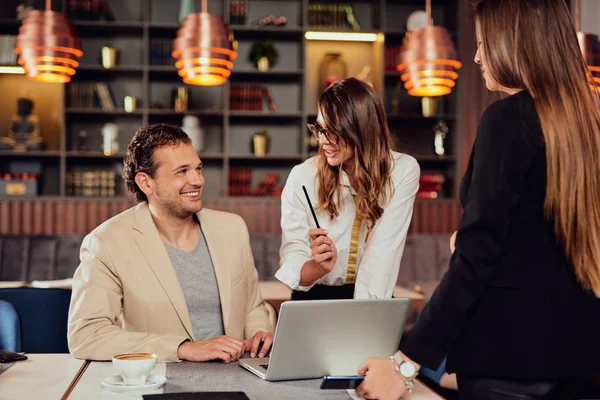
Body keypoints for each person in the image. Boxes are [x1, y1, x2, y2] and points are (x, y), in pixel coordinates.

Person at [356, 0, 600, 398]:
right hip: (580, 359)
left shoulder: (507, 119)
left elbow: (477, 256)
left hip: (505, 360)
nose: (476, 56)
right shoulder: (586, 127)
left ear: (514, 45)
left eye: (485, 43)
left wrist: (403, 365)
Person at [68, 124, 274, 363]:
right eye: (182, 171)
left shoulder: (233, 228)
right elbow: (86, 336)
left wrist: (259, 332)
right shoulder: (106, 242)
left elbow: (252, 306)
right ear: (146, 183)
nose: (197, 180)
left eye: (198, 169)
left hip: (237, 375)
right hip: (160, 379)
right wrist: (182, 349)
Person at [275, 77, 420, 300]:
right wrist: (319, 267)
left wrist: (363, 319)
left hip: (373, 297)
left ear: (361, 130)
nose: (323, 141)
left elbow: (382, 256)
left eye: (333, 130)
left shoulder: (401, 171)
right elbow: (293, 259)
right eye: (320, 129)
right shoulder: (302, 176)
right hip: (315, 298)